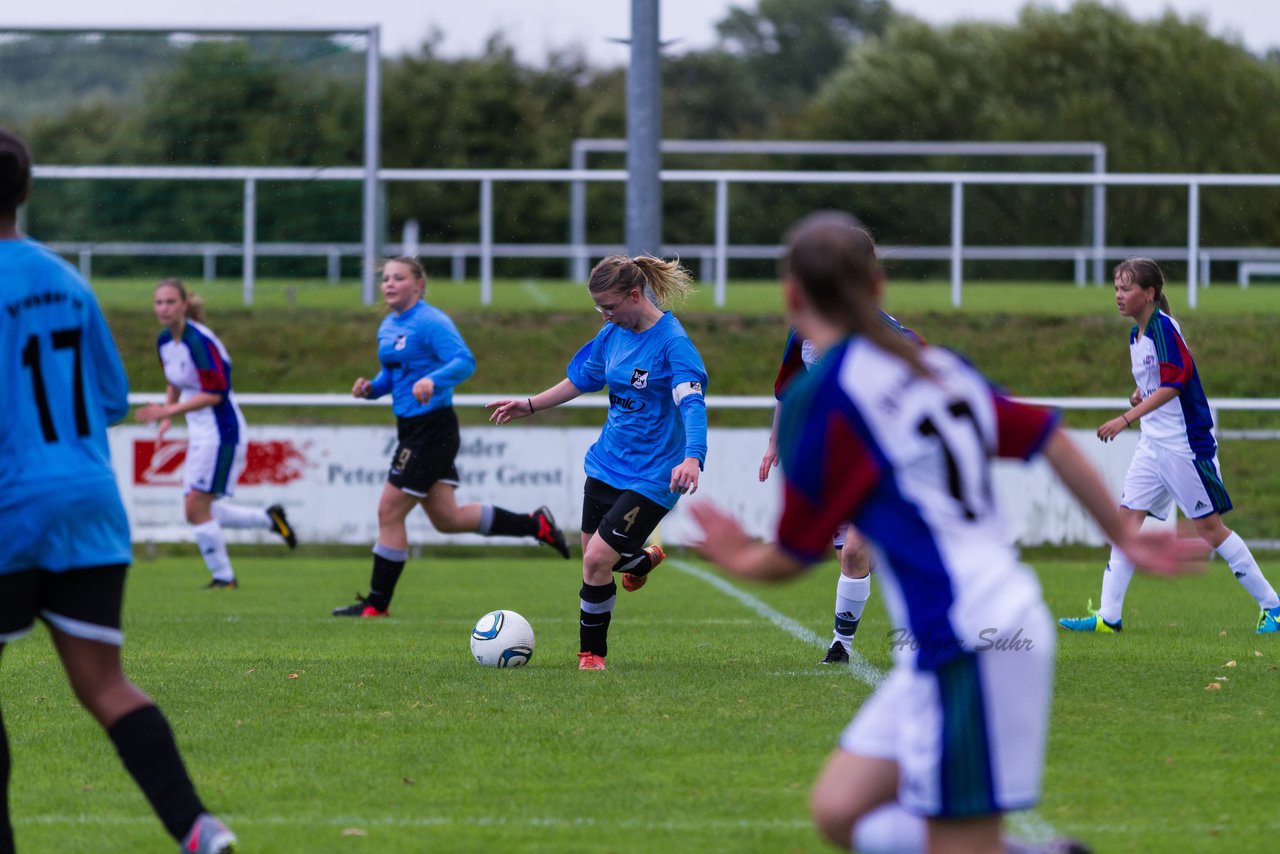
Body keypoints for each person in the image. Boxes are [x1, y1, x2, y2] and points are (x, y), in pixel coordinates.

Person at [689, 212, 1201, 854]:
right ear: (877, 287)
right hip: (950, 638)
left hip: (972, 637)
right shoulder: (937, 367)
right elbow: (1049, 438)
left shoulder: (821, 399)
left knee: (957, 845)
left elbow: (792, 557)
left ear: (793, 298)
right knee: (840, 811)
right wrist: (1120, 535)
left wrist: (735, 554)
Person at [0, 128, 236, 854]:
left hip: (10, 502)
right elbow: (106, 399)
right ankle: (199, 828)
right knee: (106, 685)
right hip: (89, 503)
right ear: (27, 191)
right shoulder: (68, 281)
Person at [487, 254, 708, 671]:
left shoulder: (673, 343)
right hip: (606, 464)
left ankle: (592, 655)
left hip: (654, 475)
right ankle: (643, 560)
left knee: (594, 560)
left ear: (635, 294)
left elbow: (692, 404)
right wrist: (530, 405)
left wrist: (693, 457)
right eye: (599, 308)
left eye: (609, 306)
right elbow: (581, 379)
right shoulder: (612, 335)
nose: (604, 315)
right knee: (596, 561)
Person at [332, 257, 570, 618]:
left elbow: (463, 361)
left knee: (388, 510)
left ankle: (376, 605)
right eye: (386, 279)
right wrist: (370, 388)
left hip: (433, 429)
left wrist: (434, 381)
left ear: (418, 284)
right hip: (412, 428)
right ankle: (533, 524)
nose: (389, 284)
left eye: (399, 278)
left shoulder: (431, 322)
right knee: (447, 518)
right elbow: (392, 376)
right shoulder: (388, 325)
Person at [1059, 257, 1280, 635]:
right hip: (1152, 445)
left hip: (1183, 447)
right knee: (1125, 523)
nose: (1118, 295)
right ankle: (1108, 617)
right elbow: (1159, 377)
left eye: (1126, 288)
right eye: (1116, 288)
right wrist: (1139, 394)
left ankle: (1273, 607)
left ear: (1149, 294)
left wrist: (1125, 418)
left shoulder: (1162, 328)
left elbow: (1176, 382)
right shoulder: (1138, 335)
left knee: (1211, 530)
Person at [760, 304, 923, 665]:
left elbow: (922, 364)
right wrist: (774, 443)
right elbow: (787, 391)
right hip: (829, 459)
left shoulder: (876, 327)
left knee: (853, 553)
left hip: (877, 459)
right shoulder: (801, 330)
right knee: (853, 559)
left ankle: (840, 647)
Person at [134, 278, 297, 589]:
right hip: (201, 433)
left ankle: (224, 578)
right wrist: (168, 412)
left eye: (170, 302)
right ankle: (269, 519)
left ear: (183, 305)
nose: (164, 308)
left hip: (222, 431)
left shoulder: (199, 341)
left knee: (194, 507)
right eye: (159, 303)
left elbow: (216, 393)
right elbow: (175, 379)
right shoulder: (165, 341)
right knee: (199, 507)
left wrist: (168, 411)